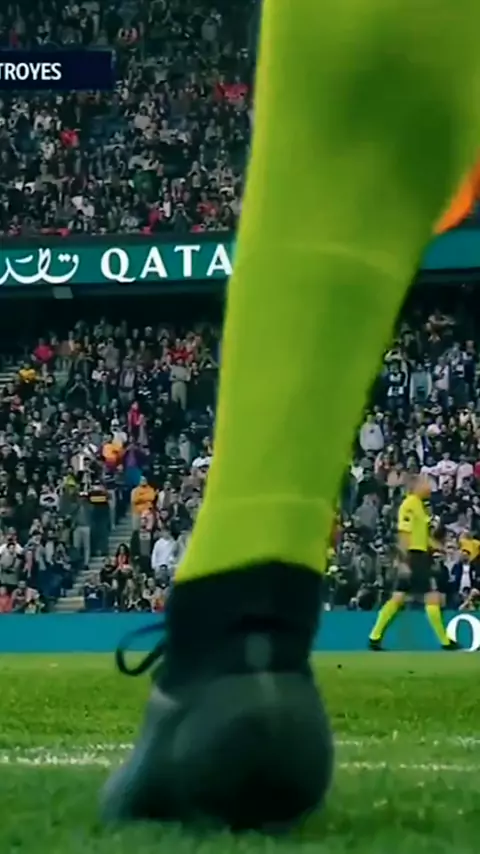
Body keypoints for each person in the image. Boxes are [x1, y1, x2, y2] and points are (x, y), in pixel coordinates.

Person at [101, 0, 480, 835]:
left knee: (371, 67)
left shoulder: (415, 504)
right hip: (414, 559)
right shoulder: (413, 507)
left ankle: (234, 642)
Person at [368, 475, 457, 650]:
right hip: (414, 557)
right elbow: (404, 533)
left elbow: (422, 536)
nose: (429, 487)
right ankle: (445, 641)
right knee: (432, 596)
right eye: (426, 484)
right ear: (416, 486)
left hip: (418, 555)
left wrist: (441, 548)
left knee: (398, 597)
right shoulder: (409, 505)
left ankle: (374, 637)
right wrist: (404, 560)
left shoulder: (419, 505)